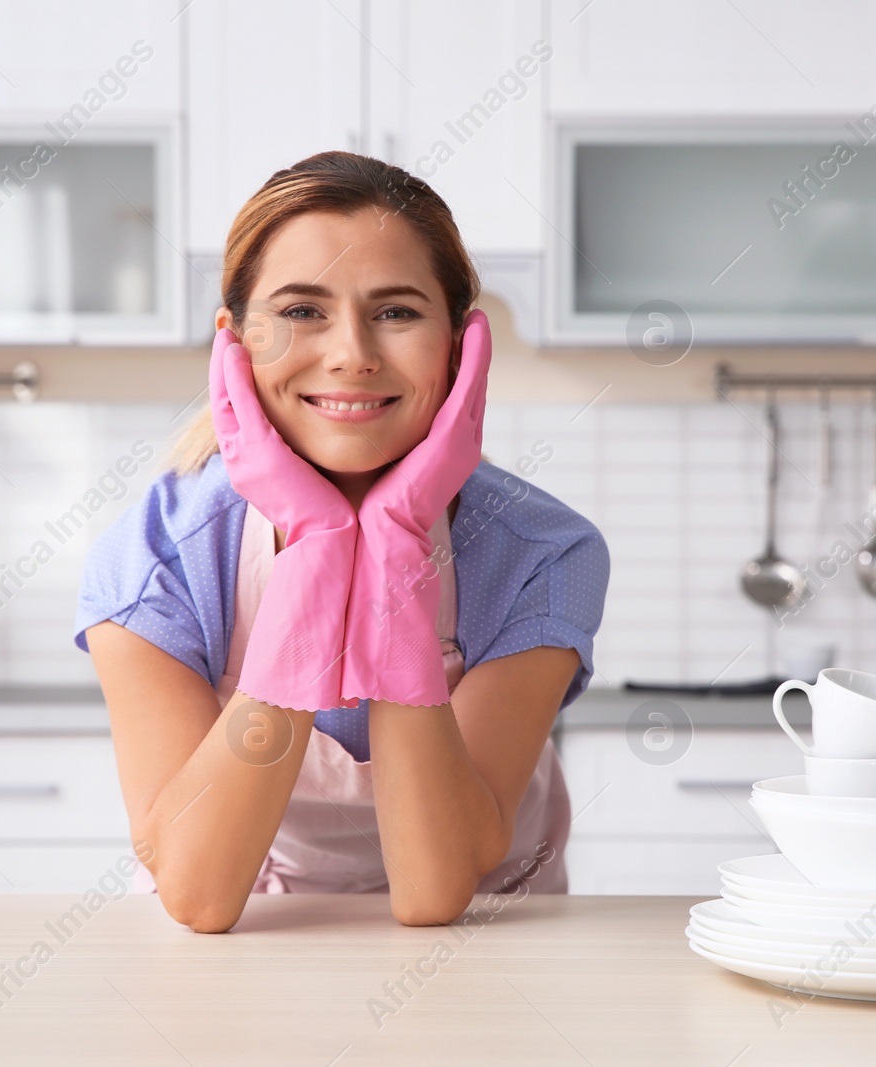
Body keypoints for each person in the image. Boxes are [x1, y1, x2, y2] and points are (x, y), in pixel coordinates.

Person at [74, 151, 609, 933]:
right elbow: (195, 891)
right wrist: (320, 551)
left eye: (396, 311)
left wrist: (392, 547)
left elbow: (436, 890)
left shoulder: (540, 553)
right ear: (234, 346)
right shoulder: (160, 556)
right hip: (249, 949)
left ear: (461, 347)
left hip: (487, 955)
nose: (352, 352)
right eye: (300, 311)